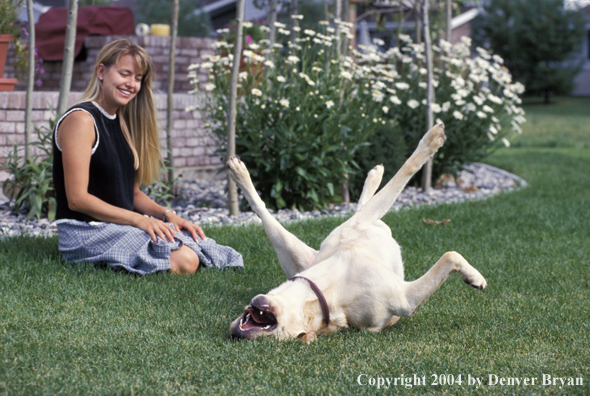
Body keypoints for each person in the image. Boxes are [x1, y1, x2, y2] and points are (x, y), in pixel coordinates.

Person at [52, 38, 243, 275]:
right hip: (85, 231)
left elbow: (132, 194)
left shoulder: (122, 121)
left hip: (119, 225)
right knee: (185, 260)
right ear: (102, 71)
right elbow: (78, 200)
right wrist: (140, 220)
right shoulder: (81, 120)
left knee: (196, 243)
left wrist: (168, 215)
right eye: (125, 73)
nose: (131, 84)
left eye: (138, 78)